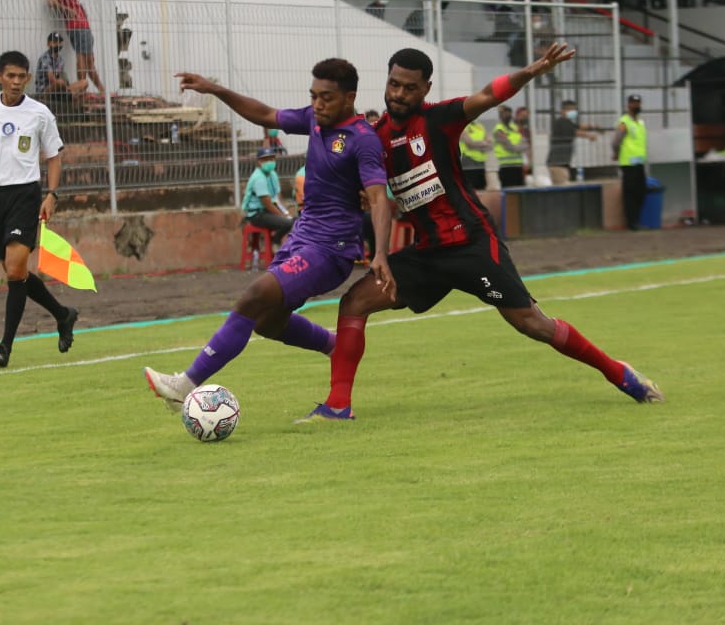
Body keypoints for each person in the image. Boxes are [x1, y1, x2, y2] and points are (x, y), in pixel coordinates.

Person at [297, 44, 663, 422]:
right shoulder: (374, 138)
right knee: (355, 302)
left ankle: (618, 372)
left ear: (425, 89)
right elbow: (363, 183)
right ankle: (338, 406)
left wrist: (533, 70)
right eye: (393, 84)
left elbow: (488, 95)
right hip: (428, 254)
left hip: (471, 243)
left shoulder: (440, 119)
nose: (398, 94)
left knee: (532, 323)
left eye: (409, 87)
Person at [143, 58, 394, 409]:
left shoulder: (361, 139)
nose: (318, 104)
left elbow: (379, 198)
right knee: (266, 321)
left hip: (331, 250)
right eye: (314, 96)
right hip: (301, 239)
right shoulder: (313, 119)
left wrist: (380, 252)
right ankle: (335, 346)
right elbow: (265, 114)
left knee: (254, 295)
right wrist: (216, 89)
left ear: (349, 97)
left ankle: (186, 383)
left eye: (326, 97)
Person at [0, 51, 78, 368]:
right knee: (18, 274)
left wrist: (51, 194)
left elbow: (54, 156)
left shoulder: (39, 113)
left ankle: (5, 347)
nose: (15, 82)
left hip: (25, 195)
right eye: (10, 75)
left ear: (27, 78)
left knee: (15, 271)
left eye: (21, 76)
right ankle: (63, 314)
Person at [47, 0, 103, 95]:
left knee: (89, 60)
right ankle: (85, 88)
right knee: (84, 59)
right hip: (78, 27)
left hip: (82, 27)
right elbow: (51, 2)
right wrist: (68, 10)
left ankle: (99, 90)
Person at [243, 147, 294, 245]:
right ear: (259, 161)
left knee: (295, 220)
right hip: (256, 215)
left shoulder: (272, 174)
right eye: (266, 159)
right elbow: (267, 204)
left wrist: (286, 213)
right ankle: (274, 241)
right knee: (287, 223)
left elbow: (278, 198)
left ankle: (275, 240)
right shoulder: (258, 178)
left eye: (272, 159)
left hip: (267, 211)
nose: (270, 162)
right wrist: (283, 216)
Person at [613, 93, 648, 230]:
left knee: (641, 192)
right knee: (631, 193)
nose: (636, 105)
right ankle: (632, 222)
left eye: (638, 103)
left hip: (639, 162)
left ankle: (637, 220)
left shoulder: (640, 123)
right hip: (628, 163)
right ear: (628, 105)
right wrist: (616, 153)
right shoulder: (624, 122)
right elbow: (616, 140)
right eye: (633, 103)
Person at [34, 31, 88, 112]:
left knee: (84, 82)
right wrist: (66, 88)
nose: (57, 45)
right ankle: (68, 94)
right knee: (59, 83)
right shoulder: (45, 58)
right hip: (45, 90)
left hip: (61, 89)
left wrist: (66, 88)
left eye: (59, 42)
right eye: (55, 42)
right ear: (48, 44)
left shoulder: (60, 60)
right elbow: (52, 79)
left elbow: (61, 77)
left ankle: (68, 95)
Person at [546, 100, 598, 184]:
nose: (574, 113)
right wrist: (589, 135)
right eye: (571, 110)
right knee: (564, 187)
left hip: (562, 163)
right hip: (557, 163)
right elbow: (575, 131)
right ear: (563, 110)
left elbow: (578, 126)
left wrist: (593, 126)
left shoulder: (567, 122)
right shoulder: (562, 122)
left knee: (561, 186)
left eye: (575, 110)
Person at [492, 105, 526, 188]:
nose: (508, 116)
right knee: (509, 192)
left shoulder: (515, 128)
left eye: (509, 113)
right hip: (505, 166)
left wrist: (517, 147)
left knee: (520, 191)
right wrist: (518, 148)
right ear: (501, 115)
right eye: (505, 114)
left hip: (518, 165)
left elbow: (525, 144)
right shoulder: (499, 129)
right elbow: (508, 146)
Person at [458, 120, 490, 190]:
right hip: (469, 161)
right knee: (471, 187)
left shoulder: (480, 126)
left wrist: (478, 144)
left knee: (481, 187)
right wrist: (483, 143)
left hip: (481, 161)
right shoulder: (462, 126)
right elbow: (469, 143)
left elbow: (490, 143)